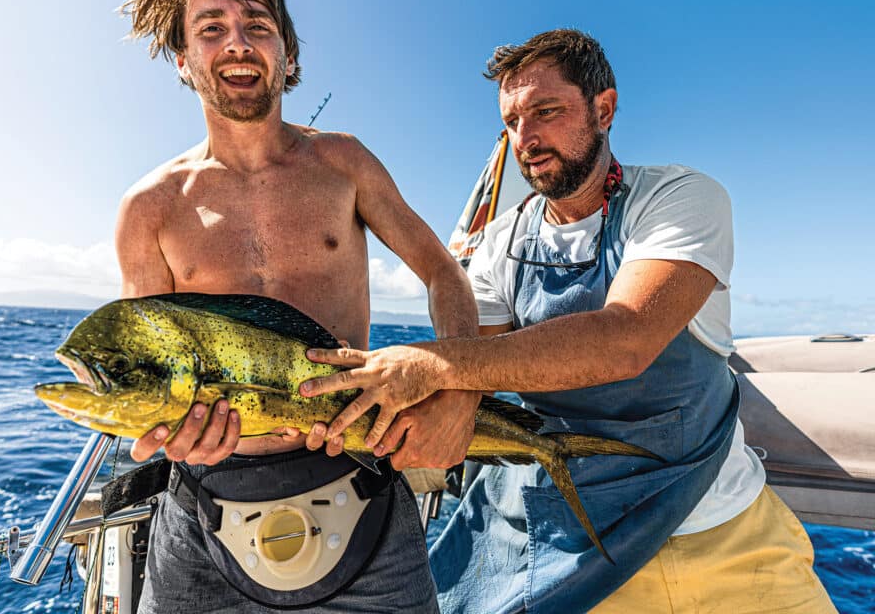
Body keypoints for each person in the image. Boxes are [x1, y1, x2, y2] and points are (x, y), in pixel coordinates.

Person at [301, 30, 836, 613]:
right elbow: (467, 353)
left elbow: (626, 339)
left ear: (603, 109)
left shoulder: (680, 197)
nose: (525, 139)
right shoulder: (503, 240)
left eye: (546, 112)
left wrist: (433, 366)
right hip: (569, 543)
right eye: (511, 121)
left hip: (718, 532)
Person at [114, 0, 479, 613]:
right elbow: (150, 377)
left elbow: (443, 273)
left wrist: (459, 387)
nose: (238, 43)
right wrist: (168, 434)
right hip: (204, 520)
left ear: (287, 50)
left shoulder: (345, 163)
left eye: (258, 25)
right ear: (183, 59)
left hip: (362, 484)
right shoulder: (150, 209)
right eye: (212, 28)